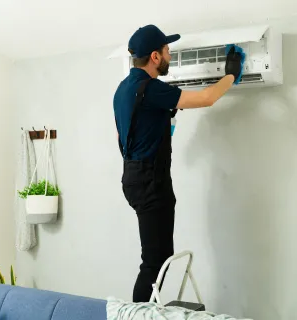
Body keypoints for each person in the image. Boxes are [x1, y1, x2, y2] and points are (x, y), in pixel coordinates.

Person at [113, 24, 243, 303]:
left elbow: (125, 132)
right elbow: (207, 98)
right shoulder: (150, 89)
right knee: (154, 262)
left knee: (158, 258)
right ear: (155, 57)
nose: (170, 55)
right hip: (151, 181)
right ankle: (136, 313)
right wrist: (231, 73)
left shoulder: (123, 88)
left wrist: (163, 123)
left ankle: (145, 311)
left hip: (133, 176)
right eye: (167, 51)